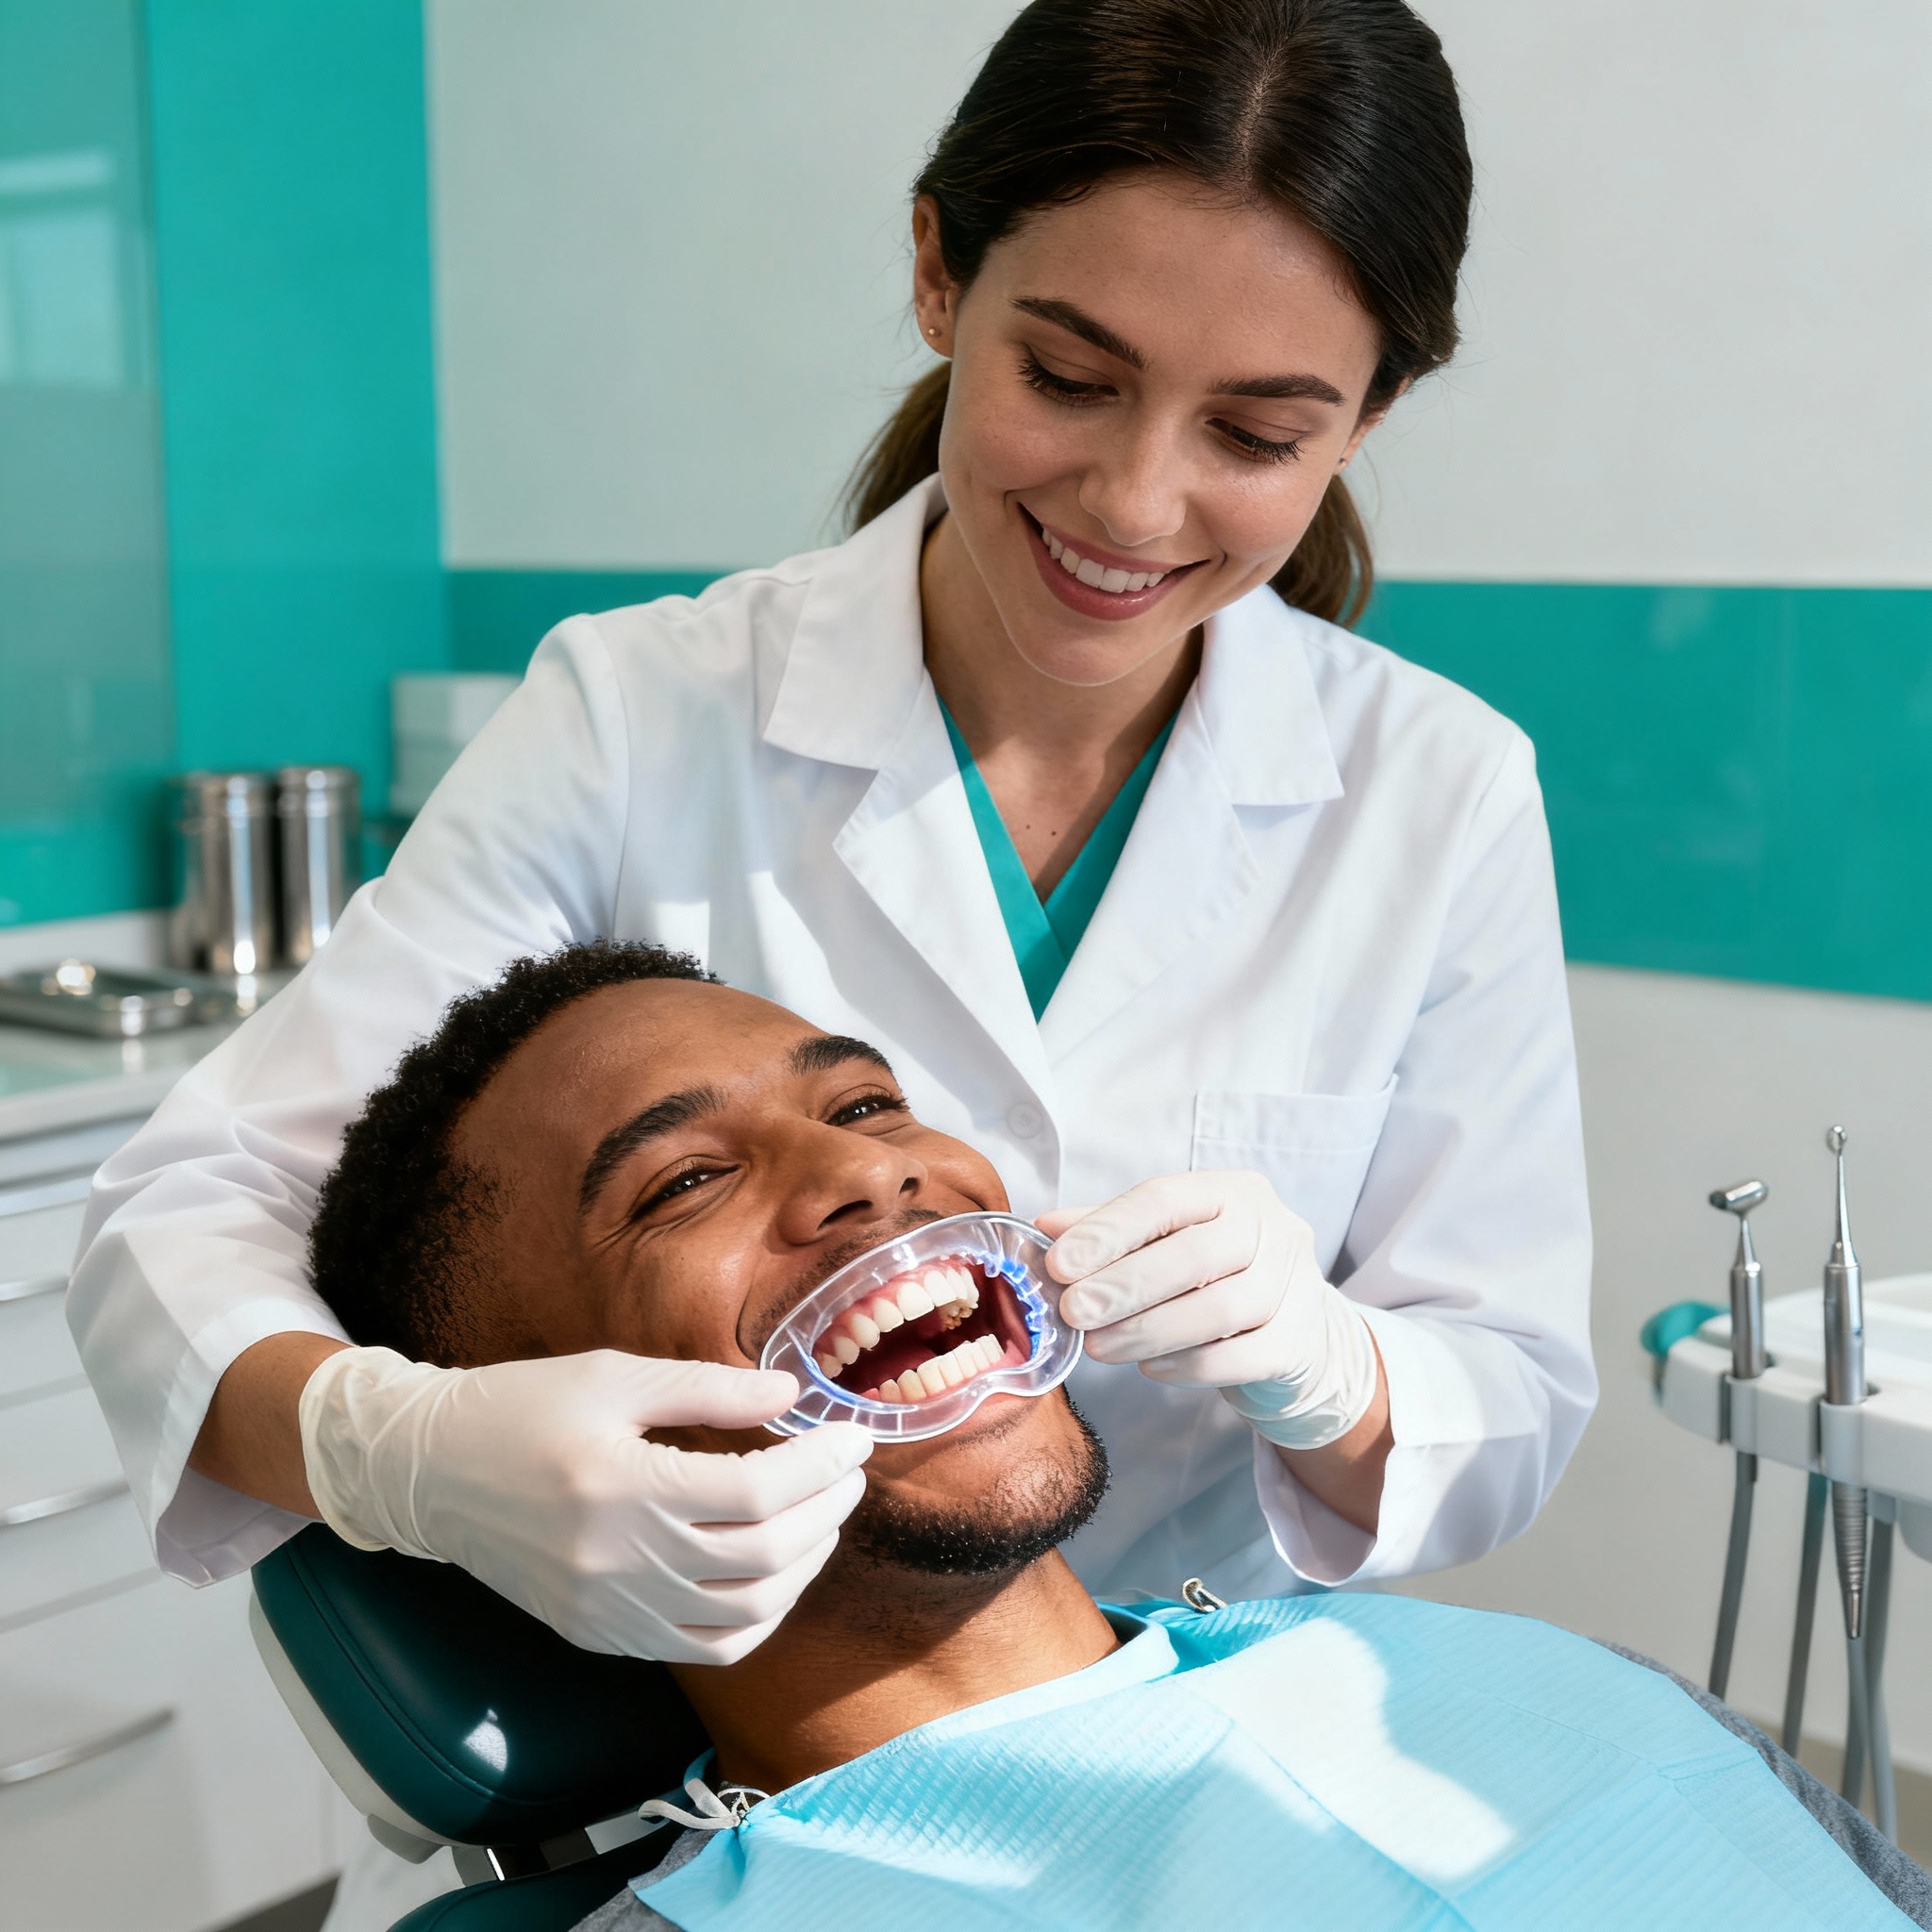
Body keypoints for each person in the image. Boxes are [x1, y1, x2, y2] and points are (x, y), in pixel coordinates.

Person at [73, 0, 1591, 1673]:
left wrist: (1330, 1365)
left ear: (1367, 415)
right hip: (715, 1731)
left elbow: (1505, 1398)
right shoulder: (643, 713)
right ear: (941, 273)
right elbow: (187, 1216)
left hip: (1195, 1712)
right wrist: (410, 1458)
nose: (1137, 505)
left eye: (1256, 436)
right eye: (1070, 379)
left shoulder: (1438, 788)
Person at [301, 944, 1924, 1932]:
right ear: (531, 1447)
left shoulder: (1535, 1680)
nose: (871, 1176)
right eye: (681, 1185)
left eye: (868, 1105)